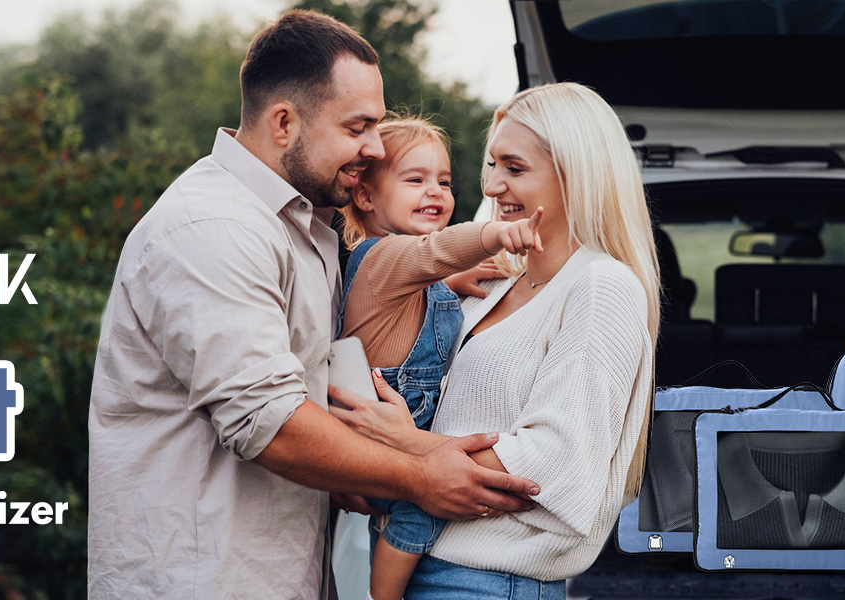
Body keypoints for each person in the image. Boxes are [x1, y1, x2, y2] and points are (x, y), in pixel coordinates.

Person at [86, 11, 540, 599]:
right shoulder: (212, 227)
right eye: (358, 128)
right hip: (203, 580)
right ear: (283, 122)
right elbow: (265, 420)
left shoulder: (304, 228)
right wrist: (419, 476)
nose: (374, 148)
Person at [329, 82, 661, 599]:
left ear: (576, 175)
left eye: (515, 168)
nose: (491, 186)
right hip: (418, 565)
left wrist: (404, 447)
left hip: (486, 581)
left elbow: (557, 458)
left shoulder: (602, 285)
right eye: (491, 166)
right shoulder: (493, 285)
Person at [333, 117, 542, 600]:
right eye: (415, 180)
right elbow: (432, 253)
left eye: (444, 181)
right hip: (378, 441)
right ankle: (382, 596)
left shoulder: (408, 273)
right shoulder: (382, 256)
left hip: (398, 432)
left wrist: (447, 287)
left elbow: (418, 282)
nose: (436, 192)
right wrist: (492, 234)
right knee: (420, 506)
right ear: (365, 197)